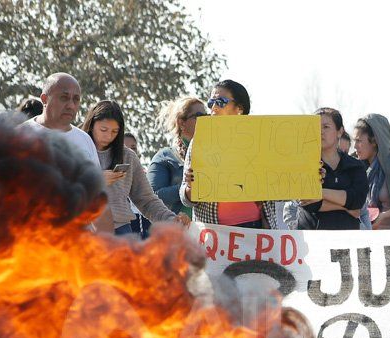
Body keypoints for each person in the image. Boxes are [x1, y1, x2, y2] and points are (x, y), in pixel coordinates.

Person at [179, 79, 278, 228]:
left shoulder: (261, 141)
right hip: (214, 233)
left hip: (256, 230)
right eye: (211, 102)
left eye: (221, 101)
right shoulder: (199, 141)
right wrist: (190, 187)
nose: (214, 107)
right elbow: (185, 198)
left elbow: (281, 187)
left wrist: (311, 175)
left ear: (239, 108)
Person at [81, 101, 183, 235]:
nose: (108, 136)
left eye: (115, 131)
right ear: (91, 125)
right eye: (103, 130)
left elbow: (146, 199)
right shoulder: (75, 148)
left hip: (121, 231)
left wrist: (170, 219)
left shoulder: (128, 156)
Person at [296, 108, 367, 230]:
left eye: (326, 127)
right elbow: (308, 204)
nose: (320, 132)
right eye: (315, 127)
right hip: (312, 238)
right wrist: (346, 206)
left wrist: (321, 194)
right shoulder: (304, 165)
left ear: (340, 131)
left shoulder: (355, 166)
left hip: (348, 239)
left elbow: (357, 201)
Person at [23, 73, 98, 166]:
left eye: (76, 99)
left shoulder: (85, 140)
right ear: (44, 99)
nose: (71, 105)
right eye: (64, 98)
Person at [148, 96, 207, 217]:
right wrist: (187, 187)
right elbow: (153, 195)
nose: (205, 120)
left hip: (209, 230)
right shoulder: (165, 157)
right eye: (199, 116)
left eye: (207, 116)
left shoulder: (212, 155)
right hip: (178, 229)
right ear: (181, 122)